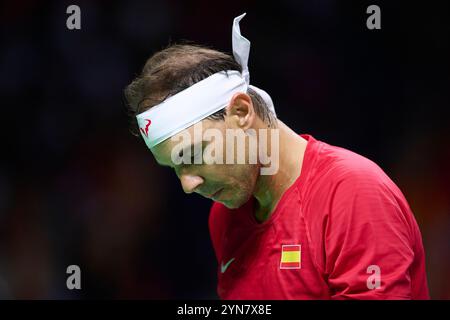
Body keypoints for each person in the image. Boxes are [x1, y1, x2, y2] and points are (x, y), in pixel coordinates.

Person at [124, 14, 429, 299]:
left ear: (241, 112)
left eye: (191, 154)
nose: (187, 185)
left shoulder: (352, 193)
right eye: (174, 168)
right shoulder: (226, 215)